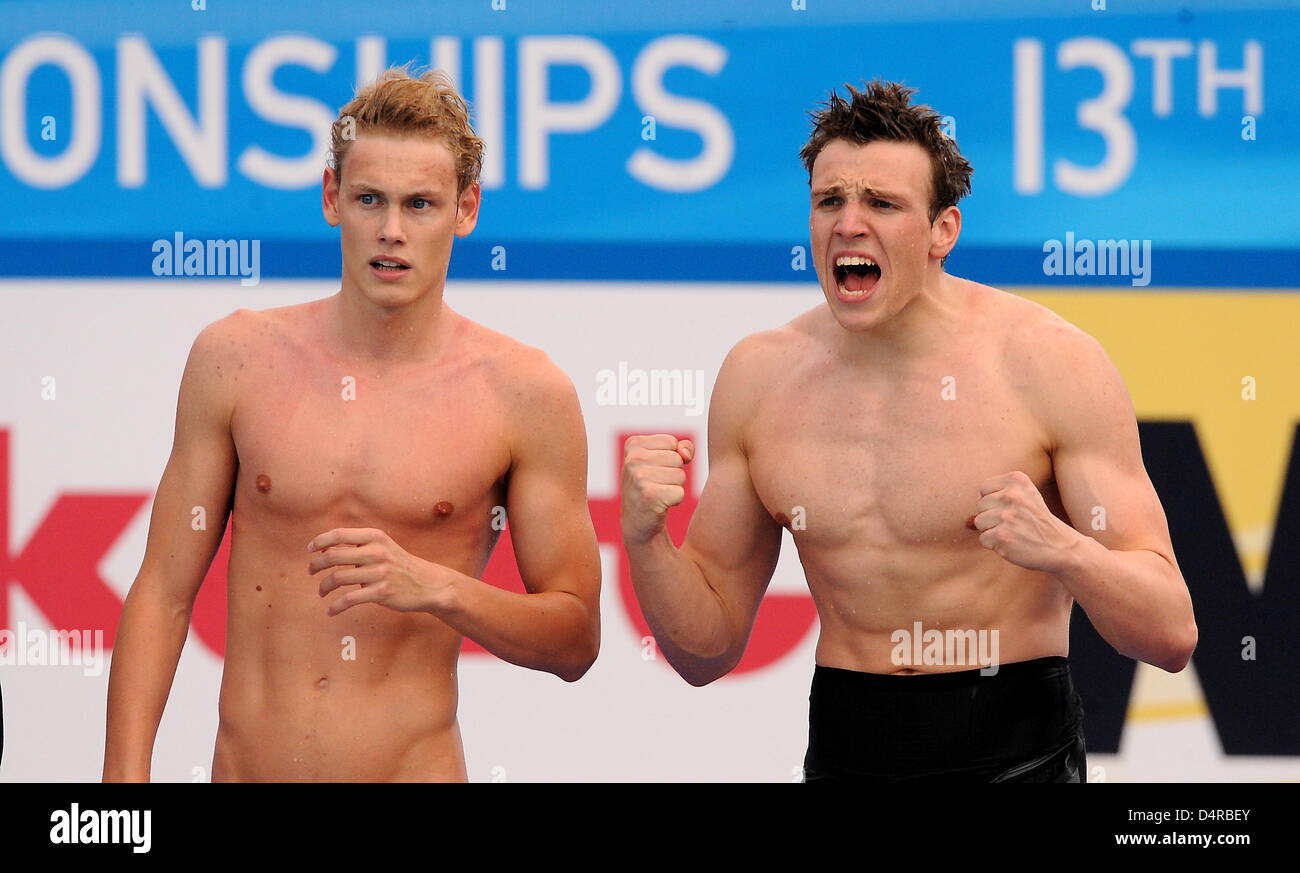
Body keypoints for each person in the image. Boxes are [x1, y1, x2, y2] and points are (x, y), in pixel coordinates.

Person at [620, 80, 1197, 782]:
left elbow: (1171, 633)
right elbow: (704, 652)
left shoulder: (1049, 364)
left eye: (882, 204)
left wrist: (1067, 550)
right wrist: (646, 541)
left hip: (1017, 753)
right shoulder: (759, 378)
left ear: (942, 231)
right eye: (830, 200)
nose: (848, 224)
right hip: (848, 746)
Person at [104, 66, 601, 782]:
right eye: (370, 198)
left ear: (466, 211)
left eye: (420, 204)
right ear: (332, 198)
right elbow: (162, 591)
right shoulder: (235, 358)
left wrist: (437, 586)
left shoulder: (524, 395)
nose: (392, 231)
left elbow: (576, 637)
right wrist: (122, 785)